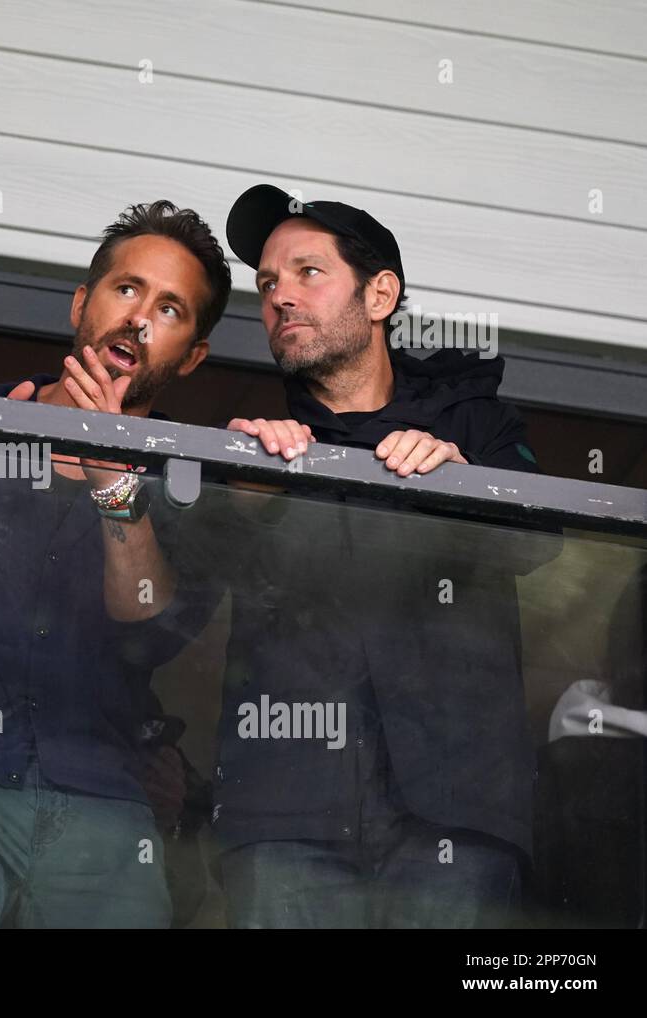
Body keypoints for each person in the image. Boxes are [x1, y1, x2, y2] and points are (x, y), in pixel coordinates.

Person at [0, 200, 229, 928]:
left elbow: (150, 628)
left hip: (101, 797)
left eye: (170, 308)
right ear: (80, 303)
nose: (137, 318)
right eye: (126, 289)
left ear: (191, 355)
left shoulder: (188, 487)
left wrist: (112, 480)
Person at [200, 183, 548, 928]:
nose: (280, 297)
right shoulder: (251, 446)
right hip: (285, 816)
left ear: (380, 293)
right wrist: (240, 494)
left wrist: (461, 481)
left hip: (457, 817)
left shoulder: (473, 423)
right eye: (266, 285)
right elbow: (172, 599)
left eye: (306, 273)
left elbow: (540, 542)